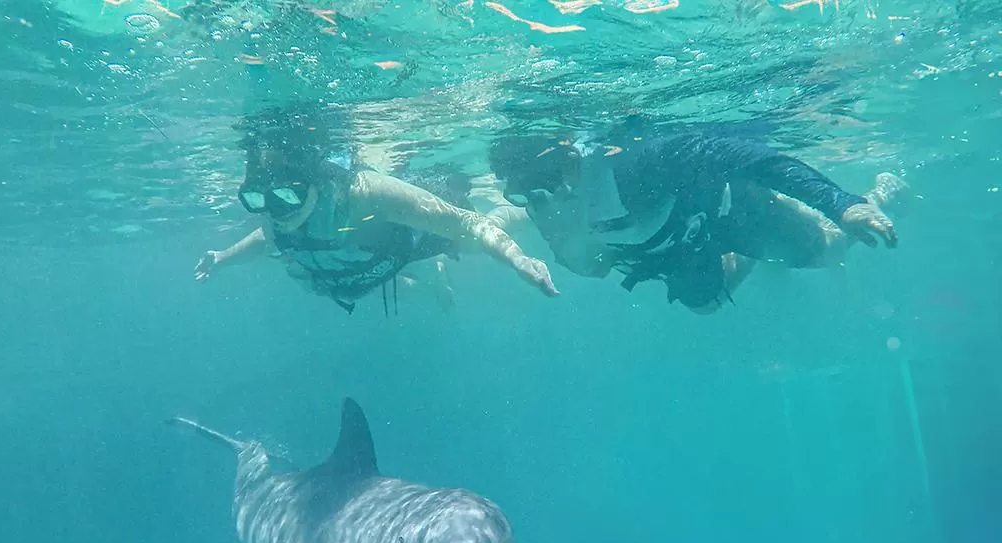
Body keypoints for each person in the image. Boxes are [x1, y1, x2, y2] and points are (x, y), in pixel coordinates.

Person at [481, 121, 904, 314]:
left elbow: (745, 156)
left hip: (729, 210)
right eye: (519, 190)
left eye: (543, 179)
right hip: (667, 248)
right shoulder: (541, 201)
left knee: (825, 253)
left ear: (570, 153)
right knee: (703, 306)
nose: (539, 197)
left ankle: (881, 193)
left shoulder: (637, 162)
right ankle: (755, 256)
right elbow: (589, 262)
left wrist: (839, 202)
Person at [195, 105, 559, 314]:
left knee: (465, 236)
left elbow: (467, 223)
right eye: (257, 201)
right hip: (363, 268)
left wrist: (518, 261)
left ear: (316, 184)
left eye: (287, 198)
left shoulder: (365, 193)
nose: (275, 211)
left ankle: (523, 212)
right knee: (401, 277)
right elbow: (267, 238)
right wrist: (222, 257)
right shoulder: (278, 212)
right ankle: (431, 282)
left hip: (409, 239)